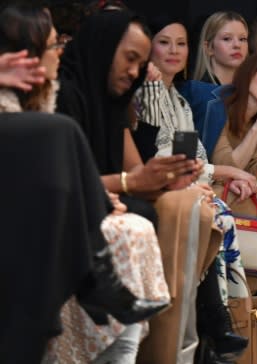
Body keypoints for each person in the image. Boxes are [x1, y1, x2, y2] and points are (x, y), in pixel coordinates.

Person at [133, 17, 257, 354]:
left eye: (181, 44)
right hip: (181, 186)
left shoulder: (183, 103)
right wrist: (231, 171)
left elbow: (251, 172)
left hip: (204, 183)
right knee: (255, 202)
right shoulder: (210, 99)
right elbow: (211, 163)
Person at [0, 5, 169, 363]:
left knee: (152, 214)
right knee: (59, 131)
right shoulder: (54, 110)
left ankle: (100, 283)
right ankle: (97, 278)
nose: (59, 52)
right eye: (51, 46)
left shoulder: (45, 102)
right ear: (23, 55)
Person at [55, 8, 222, 363]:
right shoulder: (64, 96)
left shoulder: (114, 104)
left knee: (188, 207)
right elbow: (63, 181)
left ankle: (170, 343)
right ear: (103, 48)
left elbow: (136, 173)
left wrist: (167, 179)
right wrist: (134, 182)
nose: (134, 72)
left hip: (110, 202)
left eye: (140, 62)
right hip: (73, 208)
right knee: (142, 217)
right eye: (129, 58)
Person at [193, 11, 248, 85]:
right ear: (208, 48)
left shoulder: (252, 89)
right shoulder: (197, 92)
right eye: (227, 39)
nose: (237, 45)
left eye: (242, 39)